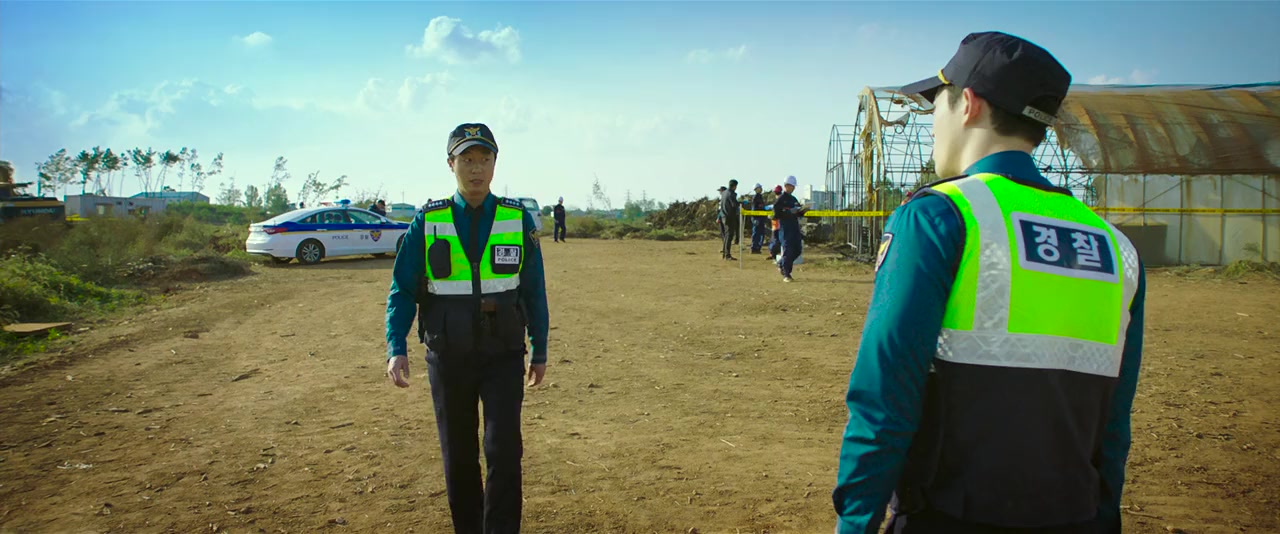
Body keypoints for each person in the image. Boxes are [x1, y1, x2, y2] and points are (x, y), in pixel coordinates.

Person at [832, 31, 1146, 534]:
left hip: (950, 516)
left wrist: (856, 523)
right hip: (1078, 516)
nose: (933, 120)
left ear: (969, 104)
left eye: (937, 101)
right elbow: (1114, 424)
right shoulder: (1115, 246)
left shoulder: (941, 216)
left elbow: (885, 395)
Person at [385, 122, 550, 534]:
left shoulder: (516, 218)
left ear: (495, 164)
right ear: (451, 164)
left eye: (484, 159)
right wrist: (396, 346)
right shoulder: (428, 221)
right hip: (448, 355)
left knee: (503, 450)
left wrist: (540, 346)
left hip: (503, 353)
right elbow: (402, 288)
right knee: (458, 455)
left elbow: (534, 289)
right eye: (467, 160)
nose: (476, 169)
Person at [772, 176, 806, 281]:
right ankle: (786, 274)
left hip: (794, 227)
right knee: (788, 250)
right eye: (792, 186)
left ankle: (781, 264)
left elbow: (799, 212)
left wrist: (803, 211)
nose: (793, 188)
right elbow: (776, 214)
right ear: (786, 186)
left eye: (794, 186)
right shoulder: (781, 199)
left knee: (797, 249)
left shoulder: (793, 199)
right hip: (785, 228)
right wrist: (788, 212)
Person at [720, 180, 740, 260]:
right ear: (734, 186)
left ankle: (725, 253)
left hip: (724, 216)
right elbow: (734, 204)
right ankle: (727, 254)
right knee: (729, 235)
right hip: (730, 216)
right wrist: (741, 203)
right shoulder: (731, 194)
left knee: (726, 235)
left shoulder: (724, 193)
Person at [749, 183, 767, 254]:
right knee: (756, 233)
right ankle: (754, 248)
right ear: (756, 189)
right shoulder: (756, 197)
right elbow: (754, 209)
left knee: (761, 234)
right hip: (757, 218)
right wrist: (754, 219)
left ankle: (758, 248)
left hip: (761, 218)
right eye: (760, 187)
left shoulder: (760, 197)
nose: (761, 189)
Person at [766, 185, 783, 260]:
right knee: (775, 240)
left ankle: (774, 254)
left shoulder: (778, 202)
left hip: (778, 224)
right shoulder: (777, 202)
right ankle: (773, 253)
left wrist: (771, 217)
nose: (777, 194)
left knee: (776, 240)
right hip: (776, 224)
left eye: (777, 193)